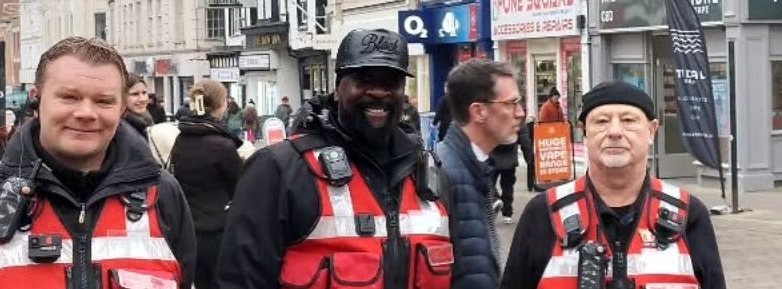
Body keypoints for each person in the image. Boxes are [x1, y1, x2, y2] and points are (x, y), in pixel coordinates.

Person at [0, 36, 197, 289]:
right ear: (37, 100)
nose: (86, 112)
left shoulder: (161, 195)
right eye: (69, 97)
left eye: (103, 101)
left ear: (121, 108)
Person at [215, 29, 454, 289]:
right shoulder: (279, 169)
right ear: (338, 89)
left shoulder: (429, 173)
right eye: (363, 80)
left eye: (390, 82)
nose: (378, 92)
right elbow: (239, 280)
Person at [501, 81, 725, 289]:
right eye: (601, 121)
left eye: (628, 120)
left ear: (652, 131)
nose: (615, 132)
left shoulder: (688, 214)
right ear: (584, 131)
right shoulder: (543, 213)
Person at [436, 59, 526, 289]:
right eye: (511, 103)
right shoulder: (444, 173)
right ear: (479, 111)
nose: (520, 113)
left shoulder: (474, 165)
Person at [171, 79, 243, 289]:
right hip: (218, 230)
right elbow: (239, 188)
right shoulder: (223, 145)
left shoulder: (181, 139)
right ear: (221, 105)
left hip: (187, 229)